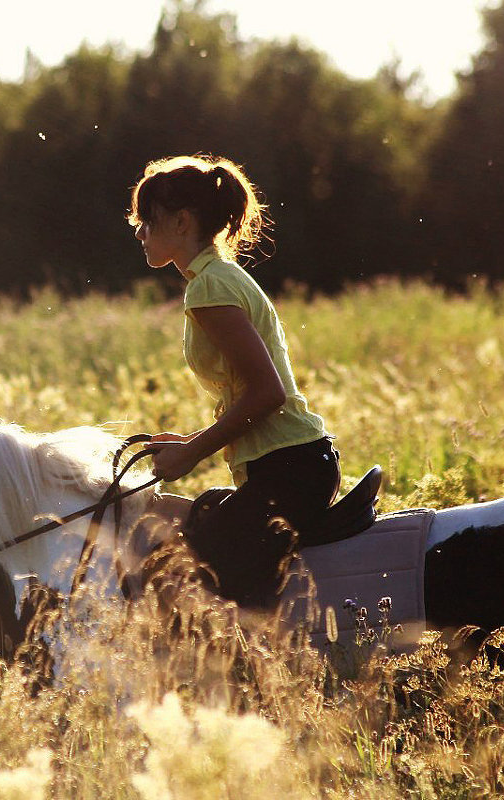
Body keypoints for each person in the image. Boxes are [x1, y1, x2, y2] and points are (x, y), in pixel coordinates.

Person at [127, 154, 340, 606]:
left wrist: (191, 454)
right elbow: (250, 395)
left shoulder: (208, 287)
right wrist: (189, 441)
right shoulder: (219, 277)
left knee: (187, 579)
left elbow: (267, 394)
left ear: (182, 222)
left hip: (290, 472)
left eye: (148, 220)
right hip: (288, 466)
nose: (139, 231)